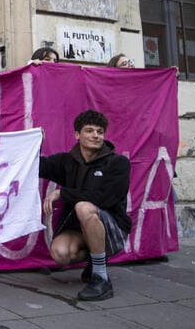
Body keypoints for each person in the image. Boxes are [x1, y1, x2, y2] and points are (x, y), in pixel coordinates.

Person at [38, 109, 131, 301]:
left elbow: (106, 198)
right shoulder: (67, 161)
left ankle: (101, 278)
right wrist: (34, 143)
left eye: (99, 131)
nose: (96, 135)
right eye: (89, 130)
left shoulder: (118, 163)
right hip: (78, 229)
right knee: (60, 254)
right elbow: (38, 166)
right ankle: (96, 259)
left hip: (112, 229)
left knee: (84, 207)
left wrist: (62, 193)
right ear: (77, 135)